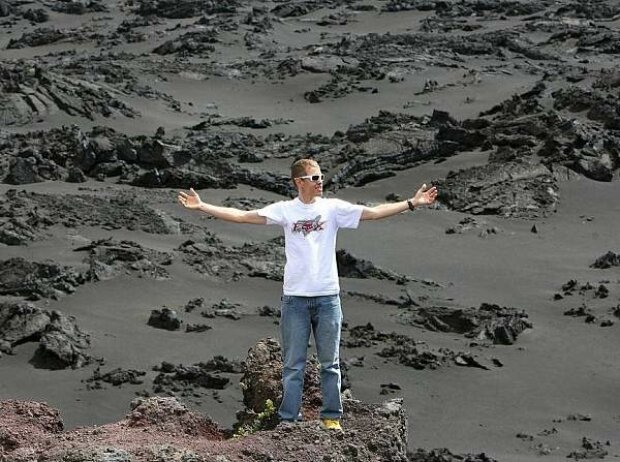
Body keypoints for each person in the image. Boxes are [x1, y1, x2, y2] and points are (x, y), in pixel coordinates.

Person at [178, 158, 438, 430]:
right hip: (295, 300)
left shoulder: (333, 209)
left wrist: (412, 203)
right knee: (293, 366)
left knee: (330, 364)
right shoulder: (285, 211)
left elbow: (372, 213)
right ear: (299, 182)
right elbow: (244, 216)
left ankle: (331, 418)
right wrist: (202, 206)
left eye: (321, 177)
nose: (320, 182)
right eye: (314, 178)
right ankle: (289, 419)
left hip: (328, 298)